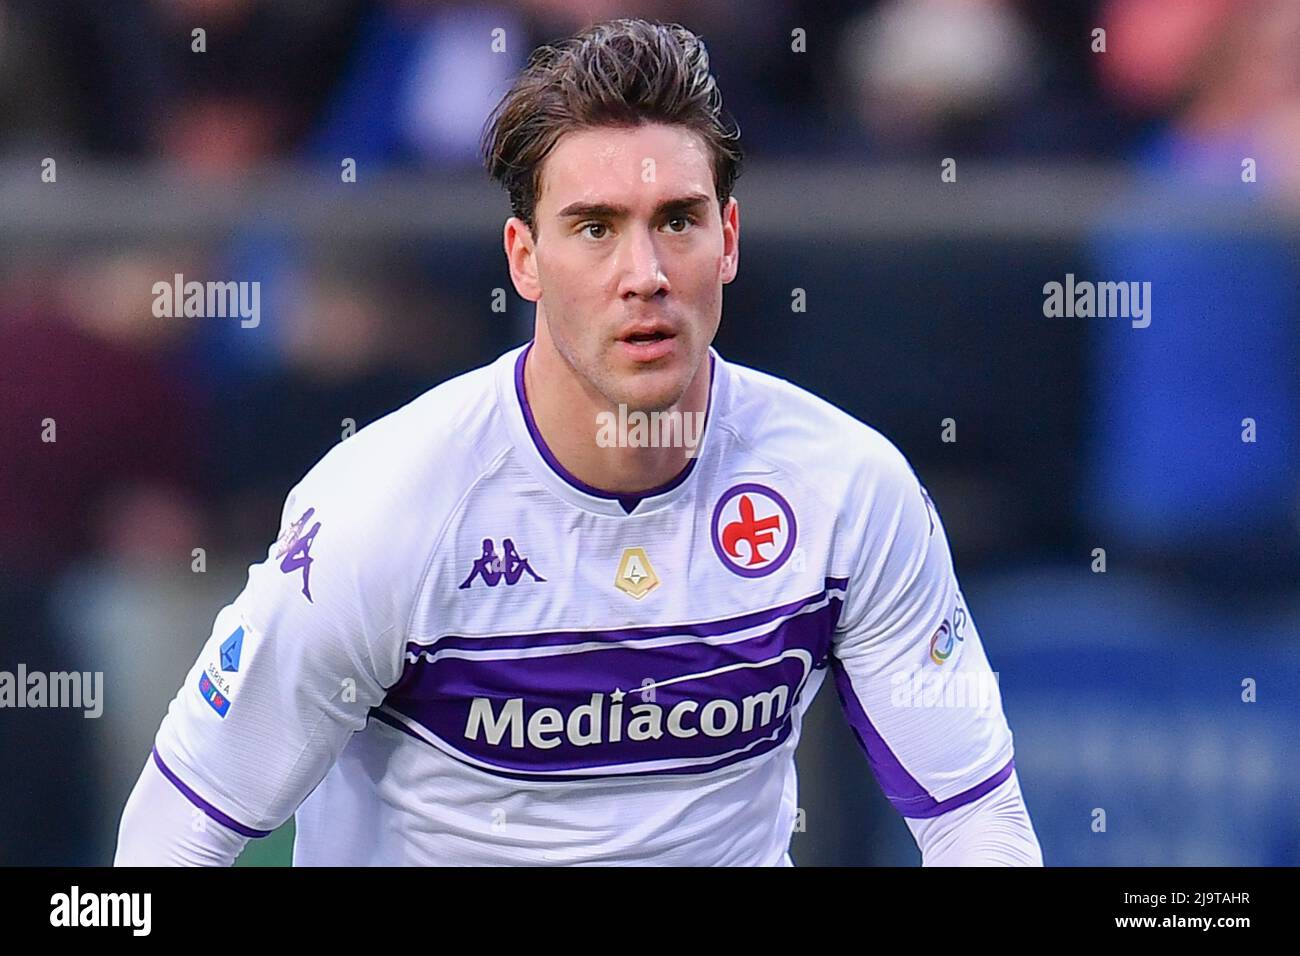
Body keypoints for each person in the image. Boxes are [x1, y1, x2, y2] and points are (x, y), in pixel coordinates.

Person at [115, 17, 1041, 866]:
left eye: (676, 222)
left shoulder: (850, 489)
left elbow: (973, 820)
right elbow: (174, 831)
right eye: (595, 228)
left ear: (728, 239)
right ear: (525, 258)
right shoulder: (381, 509)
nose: (644, 275)